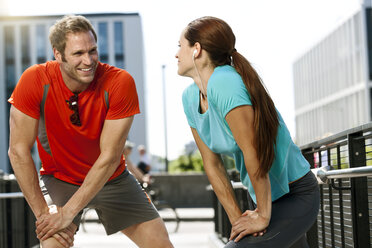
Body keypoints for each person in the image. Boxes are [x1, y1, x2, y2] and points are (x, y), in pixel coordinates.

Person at [8, 15, 173, 248]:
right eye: (78, 53)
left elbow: (109, 158)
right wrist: (44, 215)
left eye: (92, 50)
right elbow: (17, 151)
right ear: (58, 54)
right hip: (60, 179)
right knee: (53, 242)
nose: (88, 60)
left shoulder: (120, 82)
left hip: (112, 179)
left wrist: (68, 213)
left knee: (161, 245)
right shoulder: (35, 80)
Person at [176, 16, 319, 248]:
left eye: (180, 46)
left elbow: (253, 150)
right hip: (263, 198)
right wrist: (237, 221)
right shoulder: (189, 98)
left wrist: (262, 216)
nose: (176, 54)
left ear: (197, 50)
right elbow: (212, 165)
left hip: (294, 194)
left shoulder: (224, 81)